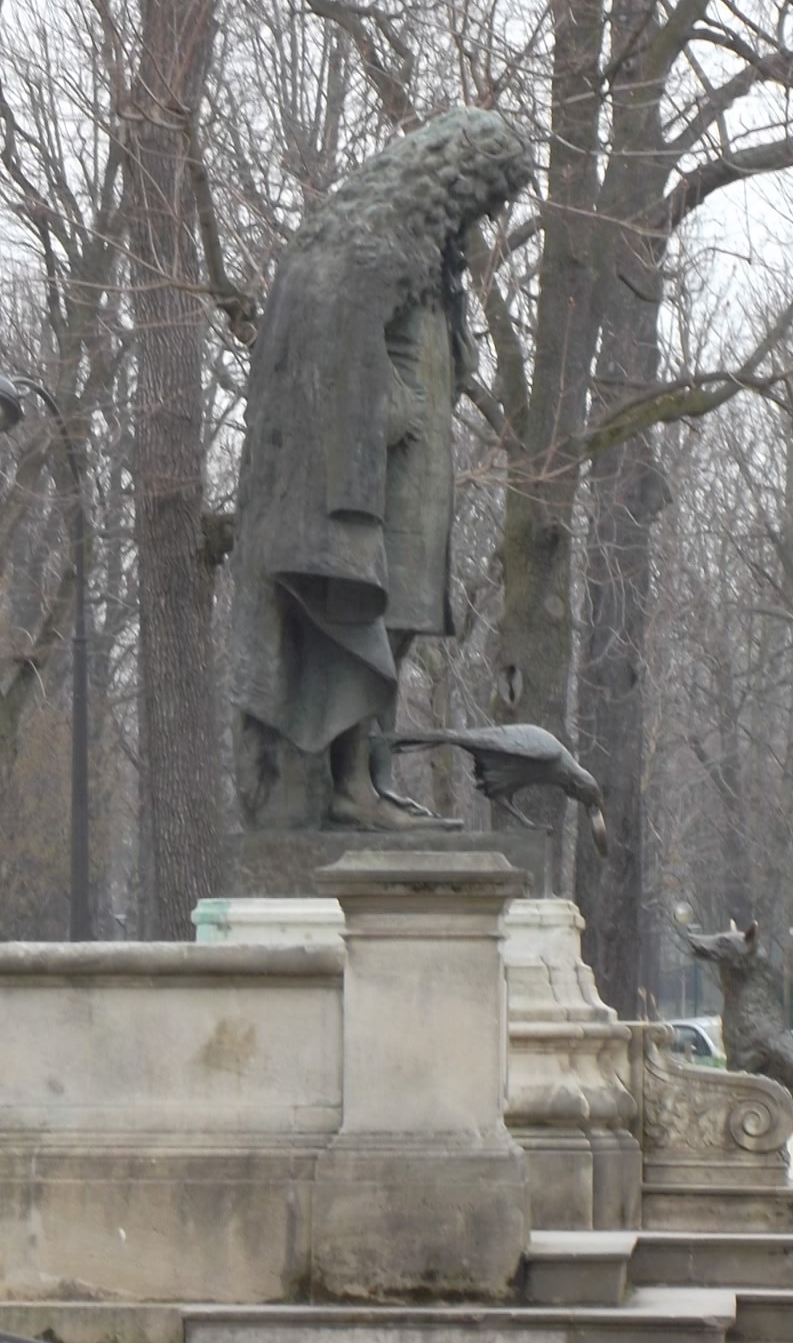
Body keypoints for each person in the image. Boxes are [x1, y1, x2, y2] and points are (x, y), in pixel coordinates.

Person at [230, 109, 533, 829]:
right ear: (456, 182)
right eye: (487, 199)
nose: (487, 218)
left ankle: (376, 773)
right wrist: (385, 402)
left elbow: (438, 352)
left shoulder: (432, 255)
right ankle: (349, 785)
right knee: (366, 617)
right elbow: (330, 339)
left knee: (401, 624)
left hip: (421, 475)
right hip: (378, 477)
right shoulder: (367, 240)